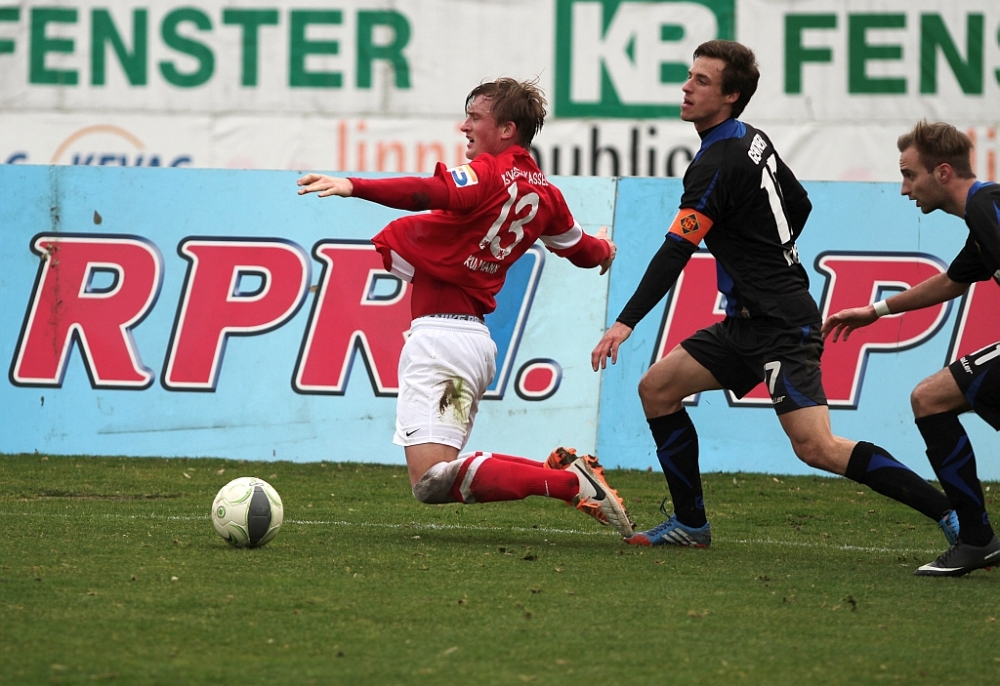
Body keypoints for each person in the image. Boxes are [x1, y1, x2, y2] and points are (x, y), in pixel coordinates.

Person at [591, 40, 955, 549]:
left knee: (817, 447)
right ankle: (691, 525)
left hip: (781, 323)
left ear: (731, 96)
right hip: (748, 320)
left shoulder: (717, 162)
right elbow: (799, 203)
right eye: (690, 76)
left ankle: (951, 513)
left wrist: (624, 322)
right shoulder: (751, 139)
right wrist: (762, 255)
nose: (686, 87)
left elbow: (676, 249)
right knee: (658, 389)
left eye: (701, 81)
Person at [297, 78, 634, 537]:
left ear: (507, 129)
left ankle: (569, 483)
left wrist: (353, 185)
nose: (465, 126)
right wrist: (606, 250)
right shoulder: (547, 196)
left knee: (430, 482)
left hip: (440, 345)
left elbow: (427, 192)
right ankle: (564, 474)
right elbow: (582, 250)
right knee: (441, 473)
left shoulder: (488, 174)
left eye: (475, 118)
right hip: (472, 344)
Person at [822, 121, 1000, 576]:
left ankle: (977, 538)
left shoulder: (987, 205)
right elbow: (954, 280)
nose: (904, 189)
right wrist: (876, 310)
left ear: (943, 172)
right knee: (930, 398)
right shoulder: (981, 215)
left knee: (938, 396)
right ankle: (976, 538)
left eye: (909, 175)